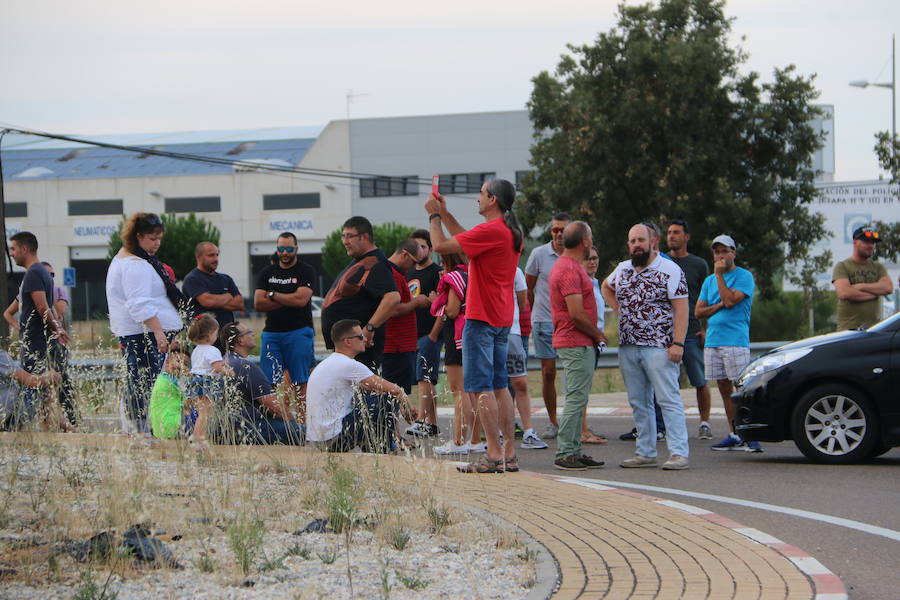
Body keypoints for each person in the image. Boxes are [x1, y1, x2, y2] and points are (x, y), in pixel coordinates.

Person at [426, 178, 523, 474]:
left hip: (480, 317)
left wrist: (432, 216)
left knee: (481, 387)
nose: (477, 199)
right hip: (502, 316)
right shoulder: (505, 231)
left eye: (481, 194)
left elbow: (441, 245)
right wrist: (445, 213)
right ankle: (508, 452)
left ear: (493, 199)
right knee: (498, 385)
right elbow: (465, 239)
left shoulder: (492, 230)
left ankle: (493, 454)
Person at [602, 223, 690, 470]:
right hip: (629, 345)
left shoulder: (670, 270)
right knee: (638, 401)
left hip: (660, 346)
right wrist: (619, 309)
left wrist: (678, 343)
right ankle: (645, 452)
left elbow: (682, 309)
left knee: (667, 399)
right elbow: (605, 286)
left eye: (640, 240)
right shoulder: (623, 269)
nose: (636, 245)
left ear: (653, 242)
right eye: (632, 241)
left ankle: (679, 452)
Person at [106, 213, 185, 433]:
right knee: (143, 382)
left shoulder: (131, 259)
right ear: (137, 236)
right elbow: (139, 304)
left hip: (142, 333)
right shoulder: (135, 264)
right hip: (143, 334)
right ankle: (140, 430)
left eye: (159, 238)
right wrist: (159, 333)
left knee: (143, 380)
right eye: (152, 238)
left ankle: (142, 429)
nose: (157, 244)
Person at [306, 319, 416, 452]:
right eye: (360, 336)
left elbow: (372, 388)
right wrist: (408, 409)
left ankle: (382, 445)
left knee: (374, 397)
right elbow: (395, 390)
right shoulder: (349, 364)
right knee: (387, 400)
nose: (365, 339)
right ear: (347, 341)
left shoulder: (329, 362)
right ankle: (383, 449)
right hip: (333, 438)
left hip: (319, 439)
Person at [550, 222, 607, 470]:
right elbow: (576, 313)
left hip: (577, 341)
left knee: (578, 396)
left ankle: (574, 449)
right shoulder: (570, 270)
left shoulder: (569, 266)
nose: (592, 243)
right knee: (575, 398)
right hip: (576, 341)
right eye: (591, 238)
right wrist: (598, 334)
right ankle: (565, 452)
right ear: (585, 241)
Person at [695, 235, 761, 452]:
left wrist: (720, 277)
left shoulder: (744, 277)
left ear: (733, 253)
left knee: (741, 387)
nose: (720, 256)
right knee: (723, 387)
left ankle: (750, 434)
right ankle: (734, 433)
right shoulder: (708, 281)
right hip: (713, 340)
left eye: (724, 251)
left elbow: (732, 300)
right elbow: (699, 311)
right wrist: (719, 306)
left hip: (735, 341)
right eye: (717, 252)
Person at [321, 216, 401, 371]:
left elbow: (392, 298)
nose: (345, 241)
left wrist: (368, 329)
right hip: (348, 346)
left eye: (350, 236)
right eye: (343, 236)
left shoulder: (375, 263)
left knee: (365, 391)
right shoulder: (360, 261)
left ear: (364, 237)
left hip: (360, 345)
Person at [4, 261, 77, 428]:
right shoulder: (27, 291)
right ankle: (46, 421)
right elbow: (8, 313)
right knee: (41, 383)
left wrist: (48, 306)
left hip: (55, 343)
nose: (49, 278)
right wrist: (19, 327)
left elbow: (59, 312)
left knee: (60, 382)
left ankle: (64, 420)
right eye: (46, 275)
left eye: (52, 275)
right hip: (37, 342)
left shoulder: (58, 291)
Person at [253, 231, 316, 421]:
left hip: (299, 332)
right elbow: (258, 304)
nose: (285, 253)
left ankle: (304, 427)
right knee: (268, 382)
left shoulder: (306, 271)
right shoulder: (267, 273)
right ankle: (272, 423)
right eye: (281, 248)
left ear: (296, 248)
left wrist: (273, 295)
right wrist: (289, 298)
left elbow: (301, 300)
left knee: (301, 382)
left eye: (289, 248)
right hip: (272, 334)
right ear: (277, 249)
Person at [430, 253, 484, 455]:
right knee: (472, 390)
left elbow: (452, 310)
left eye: (443, 262)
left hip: (457, 334)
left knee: (459, 390)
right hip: (473, 332)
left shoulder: (455, 277)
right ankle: (476, 438)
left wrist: (436, 300)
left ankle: (459, 440)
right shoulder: (473, 274)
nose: (441, 268)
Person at [524, 212, 571, 439]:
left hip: (570, 322)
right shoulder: (539, 254)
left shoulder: (576, 254)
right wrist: (536, 313)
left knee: (575, 374)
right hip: (544, 321)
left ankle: (577, 423)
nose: (559, 234)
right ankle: (553, 421)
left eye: (563, 229)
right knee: (548, 372)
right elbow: (528, 289)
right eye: (555, 229)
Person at [219, 321, 305, 445]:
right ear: (240, 341)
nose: (253, 335)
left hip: (227, 427)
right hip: (251, 426)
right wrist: (294, 420)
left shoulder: (224, 362)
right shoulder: (245, 366)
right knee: (308, 433)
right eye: (249, 332)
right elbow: (273, 406)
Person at [666, 219, 713, 439]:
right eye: (669, 232)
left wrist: (706, 328)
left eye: (676, 232)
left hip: (693, 332)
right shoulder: (662, 262)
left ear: (687, 237)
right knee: (666, 382)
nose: (671, 236)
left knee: (700, 380)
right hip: (666, 332)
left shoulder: (699, 264)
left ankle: (704, 422)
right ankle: (666, 425)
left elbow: (708, 297)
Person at [405, 230, 444, 437]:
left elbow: (444, 306)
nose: (417, 251)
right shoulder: (409, 273)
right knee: (425, 379)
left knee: (425, 378)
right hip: (413, 333)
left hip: (430, 333)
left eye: (421, 246)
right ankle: (432, 423)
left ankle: (421, 420)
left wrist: (434, 335)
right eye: (414, 247)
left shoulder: (437, 272)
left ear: (429, 248)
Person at [382, 239, 431, 398]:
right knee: (394, 395)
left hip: (401, 344)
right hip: (397, 345)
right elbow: (394, 309)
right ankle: (389, 423)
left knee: (398, 394)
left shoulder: (395, 272)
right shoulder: (392, 274)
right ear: (404, 255)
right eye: (414, 262)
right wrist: (417, 302)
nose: (414, 267)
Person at [508, 266, 547, 450]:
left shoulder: (514, 271)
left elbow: (523, 302)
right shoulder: (481, 267)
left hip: (512, 333)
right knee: (496, 386)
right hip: (489, 335)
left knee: (520, 383)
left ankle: (528, 432)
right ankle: (500, 433)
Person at [186, 314, 234, 449]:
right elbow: (216, 368)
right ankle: (197, 438)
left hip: (196, 381)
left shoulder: (196, 350)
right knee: (205, 414)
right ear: (210, 333)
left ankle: (199, 437)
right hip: (206, 383)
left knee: (202, 412)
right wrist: (228, 372)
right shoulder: (213, 350)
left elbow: (203, 365)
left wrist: (221, 362)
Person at [832, 226, 894, 330]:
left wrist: (860, 286)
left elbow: (888, 288)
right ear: (855, 242)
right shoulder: (842, 266)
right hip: (849, 329)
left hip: (874, 329)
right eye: (866, 241)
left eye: (872, 242)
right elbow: (844, 293)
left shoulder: (878, 267)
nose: (870, 245)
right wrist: (874, 294)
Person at [182, 242, 244, 346]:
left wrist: (216, 301)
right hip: (203, 339)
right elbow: (207, 301)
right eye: (211, 255)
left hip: (227, 339)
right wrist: (228, 296)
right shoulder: (192, 279)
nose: (215, 259)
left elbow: (239, 303)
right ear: (199, 257)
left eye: (217, 255)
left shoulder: (226, 279)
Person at [580, 246, 607, 445]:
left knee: (586, 387)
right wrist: (596, 335)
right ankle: (581, 431)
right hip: (586, 339)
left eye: (595, 258)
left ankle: (583, 427)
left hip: (595, 340)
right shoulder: (582, 283)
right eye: (588, 258)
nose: (593, 262)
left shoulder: (595, 283)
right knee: (581, 388)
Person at [0, 346, 60, 431]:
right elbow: (32, 382)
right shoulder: (1, 356)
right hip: (8, 418)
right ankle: (52, 424)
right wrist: (52, 376)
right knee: (43, 385)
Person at [148, 349, 191, 440]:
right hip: (171, 424)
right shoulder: (169, 382)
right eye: (178, 361)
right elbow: (188, 402)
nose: (181, 366)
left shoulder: (163, 378)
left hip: (160, 426)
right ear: (167, 363)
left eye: (186, 364)